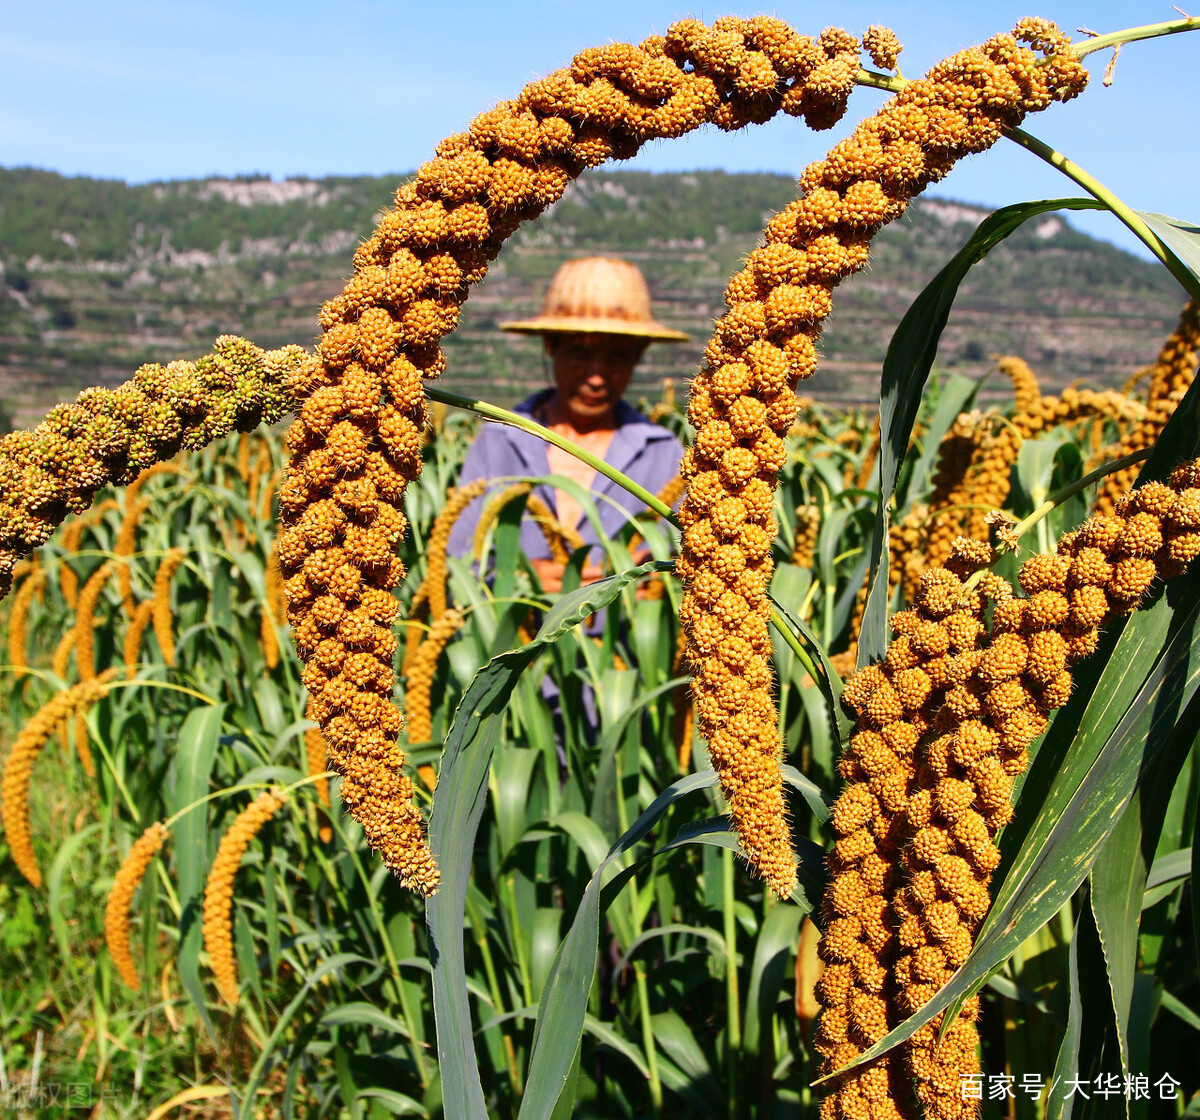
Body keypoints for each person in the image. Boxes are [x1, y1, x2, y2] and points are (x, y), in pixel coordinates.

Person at [446, 256, 688, 586]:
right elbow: (455, 560)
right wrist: (518, 576)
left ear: (638, 356)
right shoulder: (500, 440)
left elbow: (695, 559)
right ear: (550, 346)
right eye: (580, 354)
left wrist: (652, 575)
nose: (596, 377)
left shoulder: (662, 452)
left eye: (617, 357)